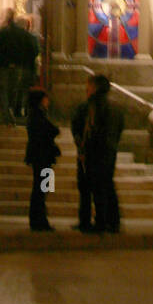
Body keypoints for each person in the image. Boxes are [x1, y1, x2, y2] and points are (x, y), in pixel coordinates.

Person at [82, 74, 124, 233]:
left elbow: (92, 128)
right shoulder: (116, 107)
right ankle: (113, 221)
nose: (87, 88)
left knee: (99, 187)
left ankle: (101, 221)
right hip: (110, 150)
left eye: (89, 85)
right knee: (108, 185)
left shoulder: (95, 105)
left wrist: (88, 148)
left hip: (98, 151)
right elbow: (119, 128)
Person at [24, 87, 60, 232]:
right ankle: (39, 219)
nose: (48, 101)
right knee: (42, 189)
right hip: (43, 157)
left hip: (42, 157)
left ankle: (38, 218)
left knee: (43, 188)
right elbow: (51, 130)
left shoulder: (36, 116)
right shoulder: (38, 116)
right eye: (45, 98)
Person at [70, 85, 94, 232]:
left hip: (87, 152)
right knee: (45, 187)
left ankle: (85, 220)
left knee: (85, 189)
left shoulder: (86, 108)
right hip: (46, 165)